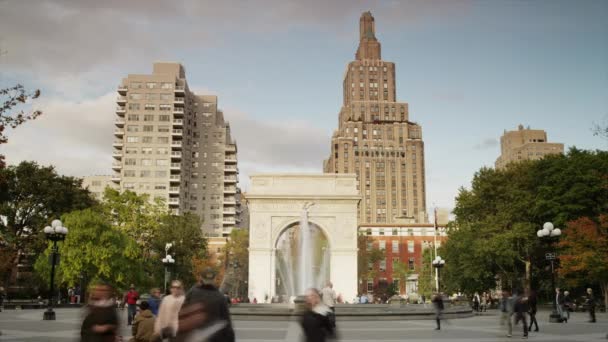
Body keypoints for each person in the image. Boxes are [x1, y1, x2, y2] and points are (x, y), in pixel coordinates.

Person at [176, 267, 235, 342]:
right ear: (214, 279)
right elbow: (227, 323)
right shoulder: (220, 297)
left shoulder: (192, 293)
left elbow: (182, 314)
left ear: (201, 278)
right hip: (214, 338)